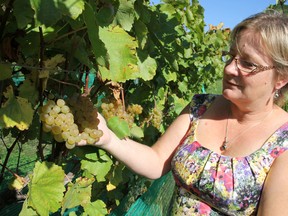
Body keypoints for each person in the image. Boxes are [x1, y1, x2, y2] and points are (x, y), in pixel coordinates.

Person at [78, 11, 288, 215]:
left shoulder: (282, 142)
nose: (229, 69)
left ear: (281, 78)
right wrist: (107, 139)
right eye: (231, 56)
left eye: (247, 63)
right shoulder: (200, 107)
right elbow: (157, 160)